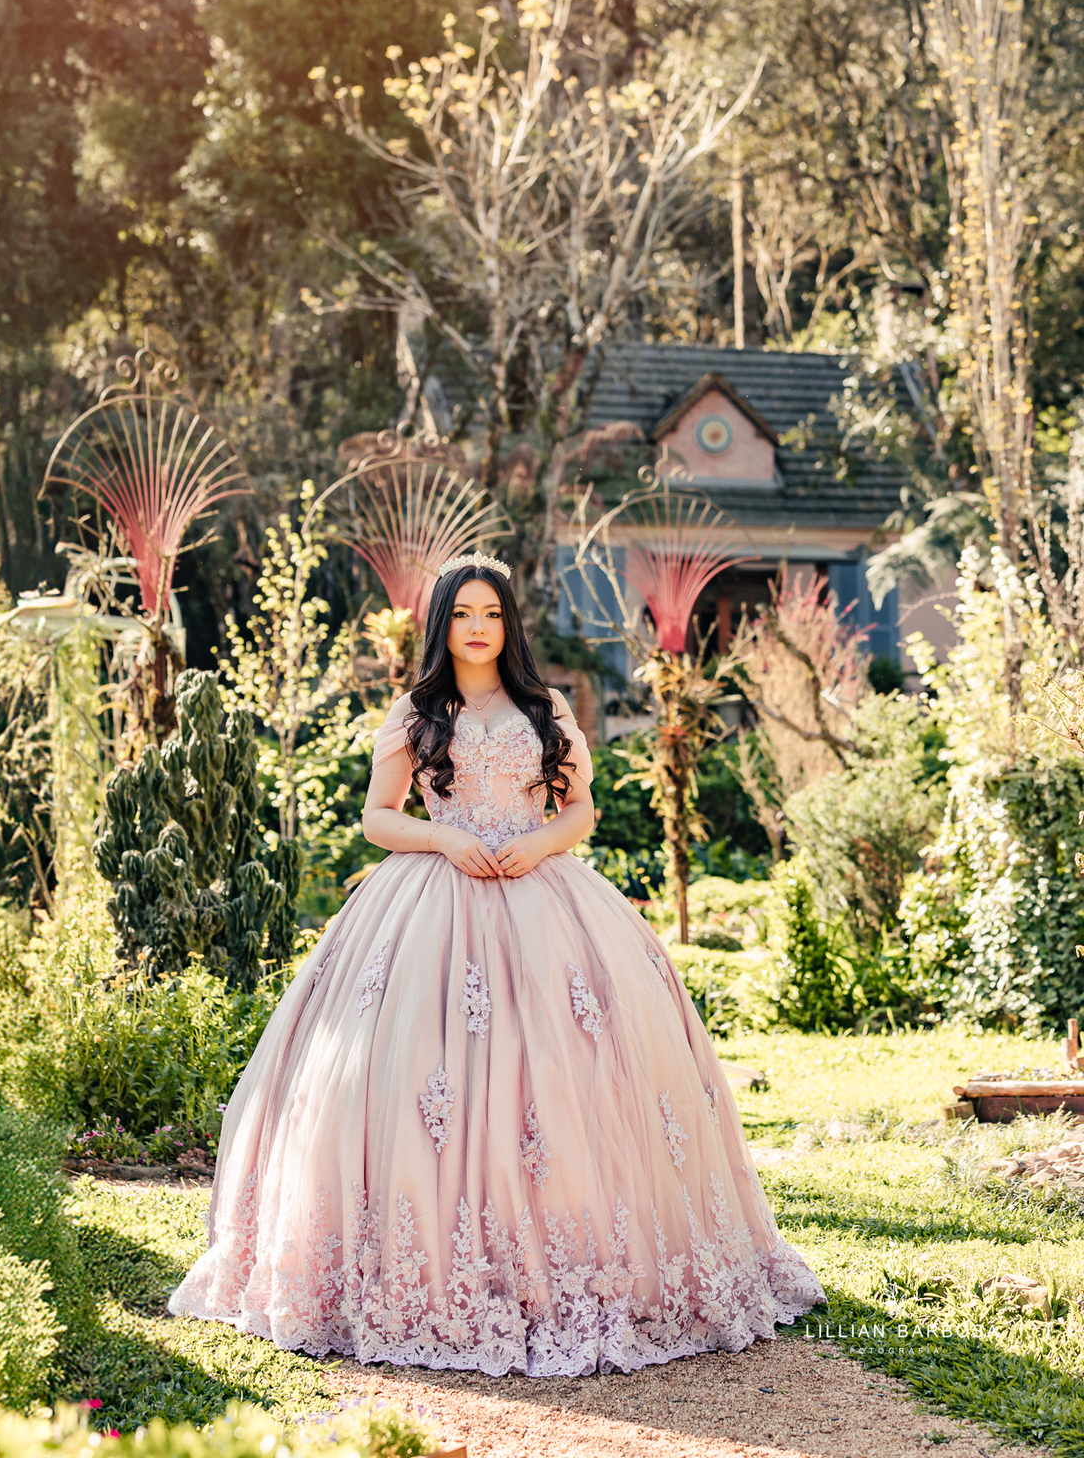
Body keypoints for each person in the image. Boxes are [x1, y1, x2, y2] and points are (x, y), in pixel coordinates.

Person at [169, 553, 823, 1375]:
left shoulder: (545, 708)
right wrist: (444, 838)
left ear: (508, 623)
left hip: (542, 897)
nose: (477, 628)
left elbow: (580, 808)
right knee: (418, 1071)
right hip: (430, 903)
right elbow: (379, 818)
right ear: (441, 624)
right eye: (461, 614)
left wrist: (538, 842)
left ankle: (580, 1263)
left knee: (559, 1067)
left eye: (490, 613)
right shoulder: (415, 712)